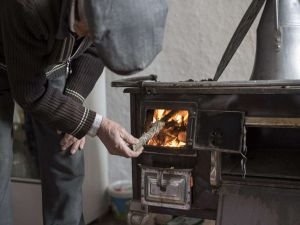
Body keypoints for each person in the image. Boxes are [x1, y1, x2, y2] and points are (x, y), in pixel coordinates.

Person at [0, 0, 168, 224]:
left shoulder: (105, 14)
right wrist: (95, 125)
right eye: (89, 31)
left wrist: (73, 110)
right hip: (6, 51)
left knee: (66, 155)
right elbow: (30, 93)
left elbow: (96, 52)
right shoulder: (28, 5)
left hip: (48, 58)